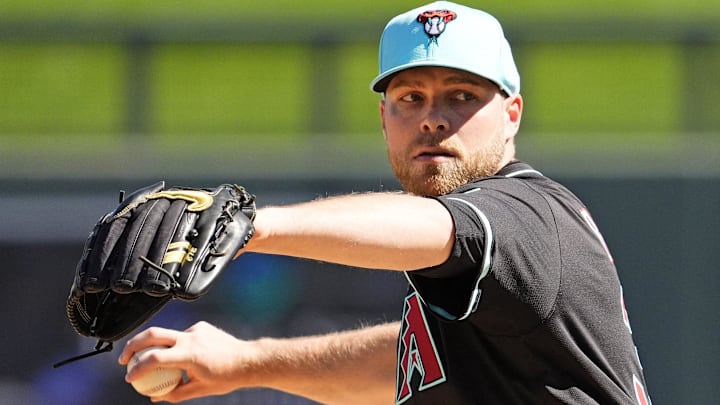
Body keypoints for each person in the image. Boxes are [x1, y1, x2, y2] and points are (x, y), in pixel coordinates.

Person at [118, 2, 651, 404]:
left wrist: (252, 226)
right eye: (410, 98)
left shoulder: (528, 213)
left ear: (512, 114)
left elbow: (442, 228)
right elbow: (413, 361)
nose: (432, 118)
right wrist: (246, 362)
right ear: (384, 120)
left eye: (462, 96)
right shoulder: (483, 295)